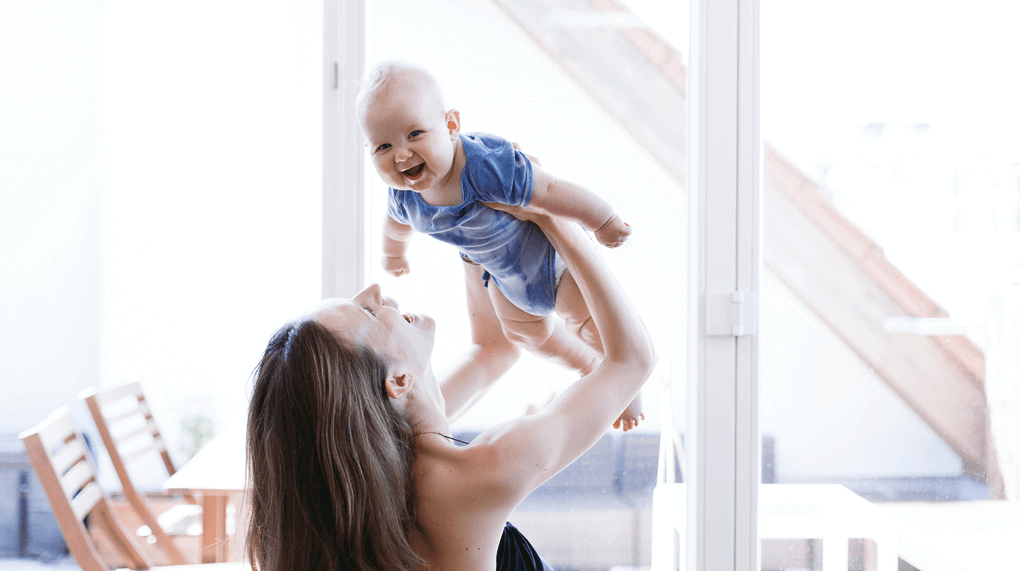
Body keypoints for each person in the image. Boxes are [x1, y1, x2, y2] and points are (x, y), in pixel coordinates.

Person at [245, 210, 655, 571]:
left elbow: (493, 351)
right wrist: (553, 216)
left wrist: (474, 230)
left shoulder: (385, 461)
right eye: (368, 311)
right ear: (398, 380)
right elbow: (632, 360)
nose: (373, 290)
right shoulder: (481, 473)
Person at [356, 61, 644, 429]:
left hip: (551, 260)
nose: (401, 154)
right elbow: (397, 226)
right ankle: (588, 366)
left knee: (590, 325)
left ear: (450, 126)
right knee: (527, 334)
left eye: (414, 134)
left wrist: (602, 220)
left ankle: (624, 383)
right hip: (504, 278)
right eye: (383, 145)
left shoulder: (485, 166)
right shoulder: (404, 196)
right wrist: (392, 254)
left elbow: (551, 190)